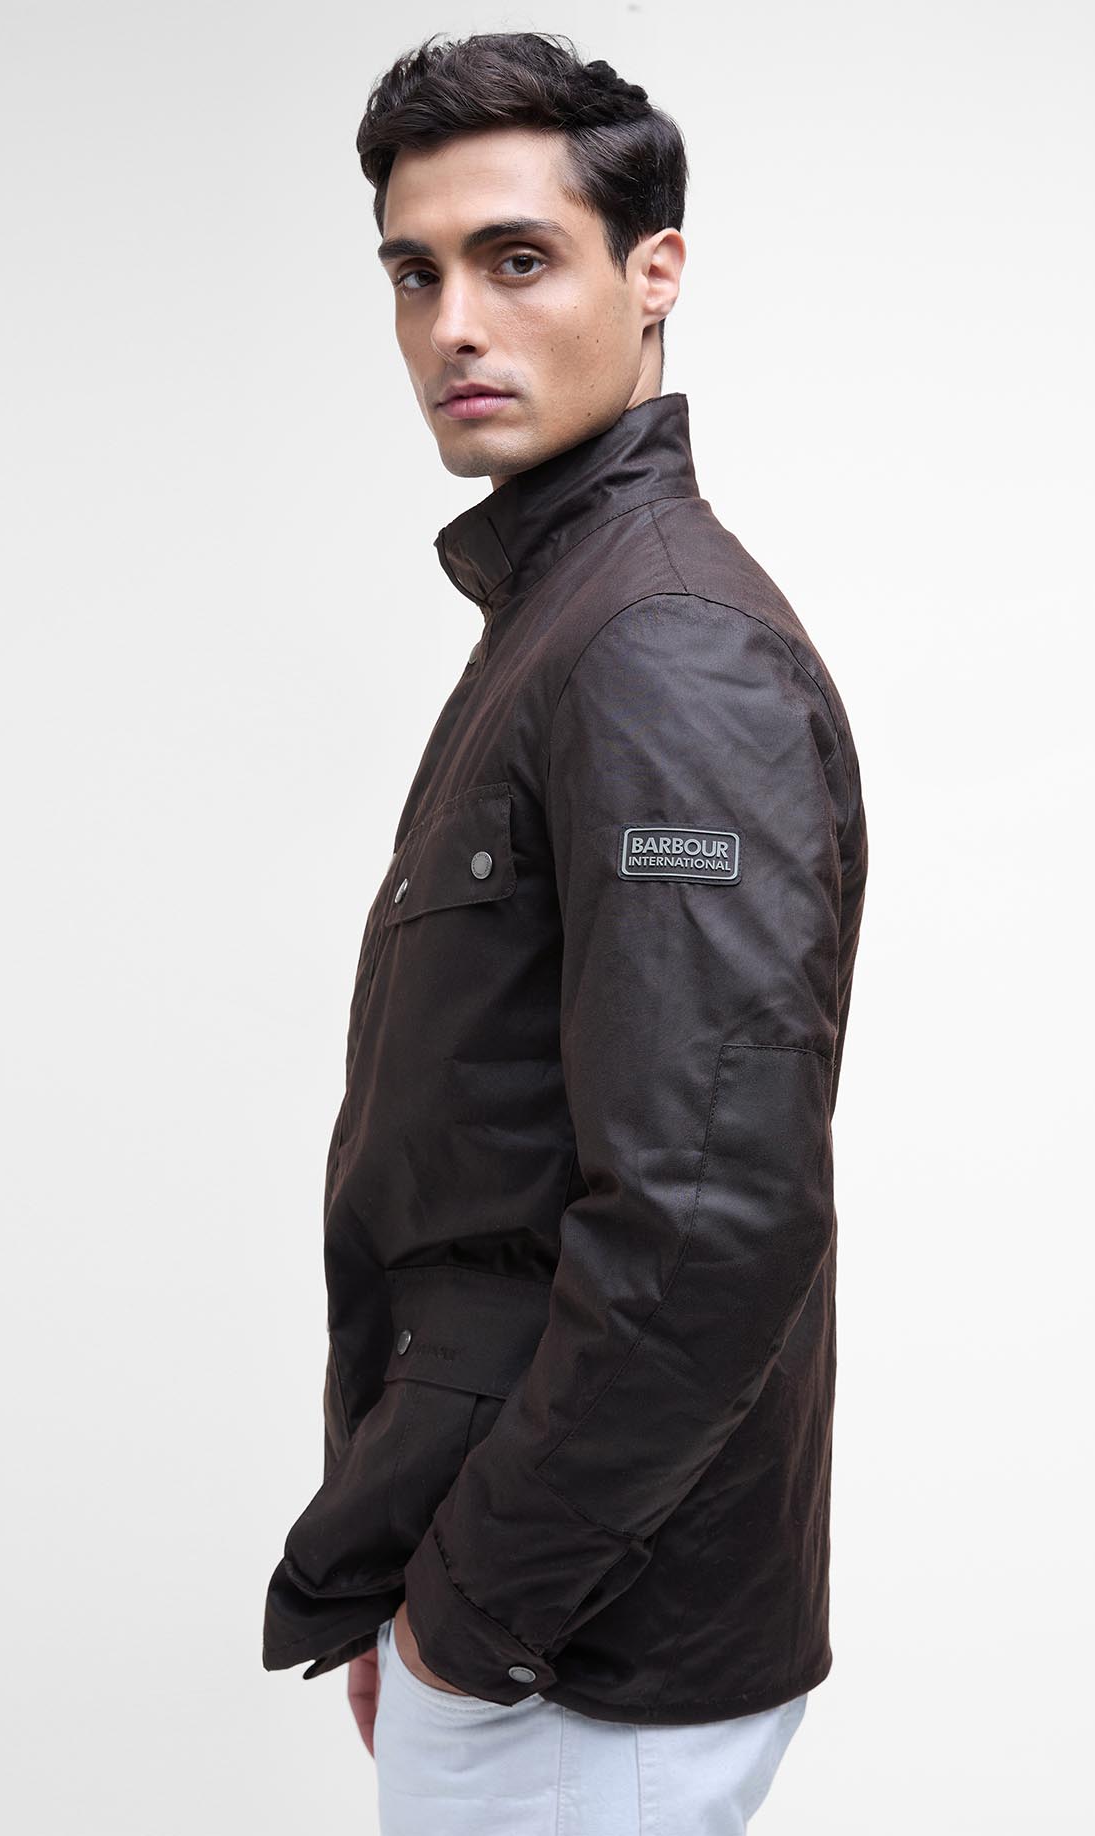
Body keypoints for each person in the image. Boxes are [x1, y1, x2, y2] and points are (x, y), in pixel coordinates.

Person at [261, 30, 869, 1834]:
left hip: (579, 1658)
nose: (455, 323)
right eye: (416, 272)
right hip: (523, 1610)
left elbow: (709, 1221)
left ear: (652, 271)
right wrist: (410, 1559)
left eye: (517, 259)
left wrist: (472, 1614)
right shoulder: (566, 619)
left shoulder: (660, 651)